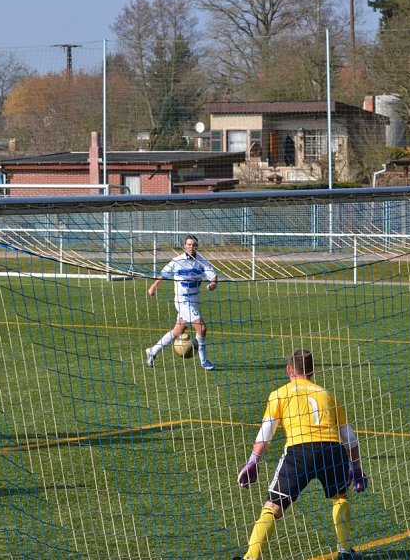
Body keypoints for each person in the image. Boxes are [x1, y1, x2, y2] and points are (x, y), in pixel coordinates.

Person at [233, 349, 368, 560]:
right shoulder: (327, 395)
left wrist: (253, 462)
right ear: (312, 371)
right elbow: (350, 437)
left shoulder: (279, 394)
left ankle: (251, 557)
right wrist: (356, 468)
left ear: (289, 370)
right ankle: (345, 552)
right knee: (339, 497)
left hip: (299, 452)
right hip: (332, 450)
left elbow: (265, 434)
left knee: (273, 506)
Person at [146, 234, 218, 370]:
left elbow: (212, 275)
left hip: (195, 299)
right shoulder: (177, 260)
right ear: (184, 246)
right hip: (182, 300)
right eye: (189, 244)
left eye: (194, 245)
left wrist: (213, 284)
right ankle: (204, 361)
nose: (191, 247)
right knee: (201, 328)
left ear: (197, 246)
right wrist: (153, 286)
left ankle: (152, 351)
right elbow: (164, 274)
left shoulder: (202, 260)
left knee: (178, 331)